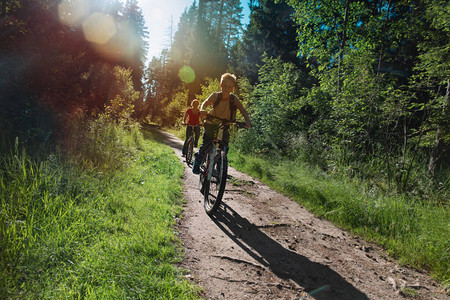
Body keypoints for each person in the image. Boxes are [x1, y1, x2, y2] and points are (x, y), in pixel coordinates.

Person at [192, 73, 251, 174]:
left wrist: (247, 120)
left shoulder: (234, 99)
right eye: (224, 86)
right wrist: (202, 110)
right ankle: (198, 160)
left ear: (232, 88)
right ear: (220, 85)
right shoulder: (216, 96)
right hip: (211, 123)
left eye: (229, 87)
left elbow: (243, 110)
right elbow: (205, 103)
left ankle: (220, 167)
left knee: (224, 147)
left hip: (225, 125)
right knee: (206, 143)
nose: (226, 89)